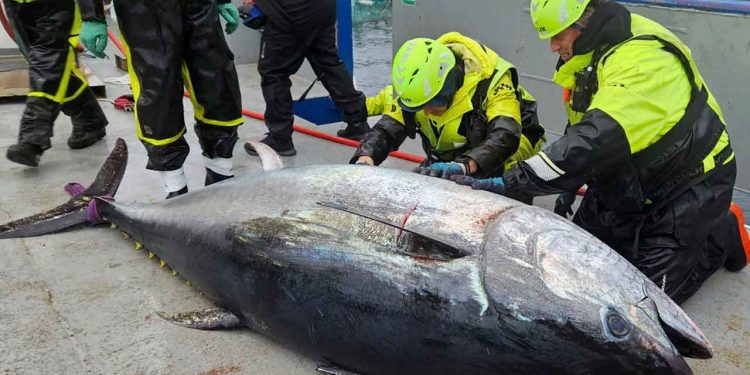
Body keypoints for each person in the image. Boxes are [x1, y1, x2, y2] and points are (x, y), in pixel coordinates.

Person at [454, 0, 750, 303]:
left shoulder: (644, 62)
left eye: (559, 35)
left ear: (587, 21)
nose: (553, 47)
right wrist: (572, 182)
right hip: (627, 173)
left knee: (641, 307)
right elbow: (582, 123)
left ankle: (720, 234)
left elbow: (594, 139)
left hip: (686, 187)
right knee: (569, 270)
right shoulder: (590, 54)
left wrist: (509, 181)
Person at [351, 32, 546, 203]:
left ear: (446, 89)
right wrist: (365, 158)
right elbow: (387, 129)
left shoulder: (492, 82)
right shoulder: (416, 85)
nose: (425, 113)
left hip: (511, 144)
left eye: (429, 104)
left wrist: (464, 166)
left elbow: (505, 135)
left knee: (495, 193)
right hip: (457, 146)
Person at [78, 0, 244, 199]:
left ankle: (221, 172)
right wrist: (92, 15)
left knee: (217, 82)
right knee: (157, 92)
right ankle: (175, 187)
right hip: (142, 11)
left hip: (200, 6)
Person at [243, 0, 370, 157]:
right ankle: (358, 121)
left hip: (288, 10)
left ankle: (280, 139)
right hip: (323, 8)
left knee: (274, 72)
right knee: (328, 62)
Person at [3, 0, 108, 167]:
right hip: (17, 6)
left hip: (56, 6)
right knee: (47, 65)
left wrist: (92, 16)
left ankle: (32, 138)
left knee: (48, 64)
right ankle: (89, 118)